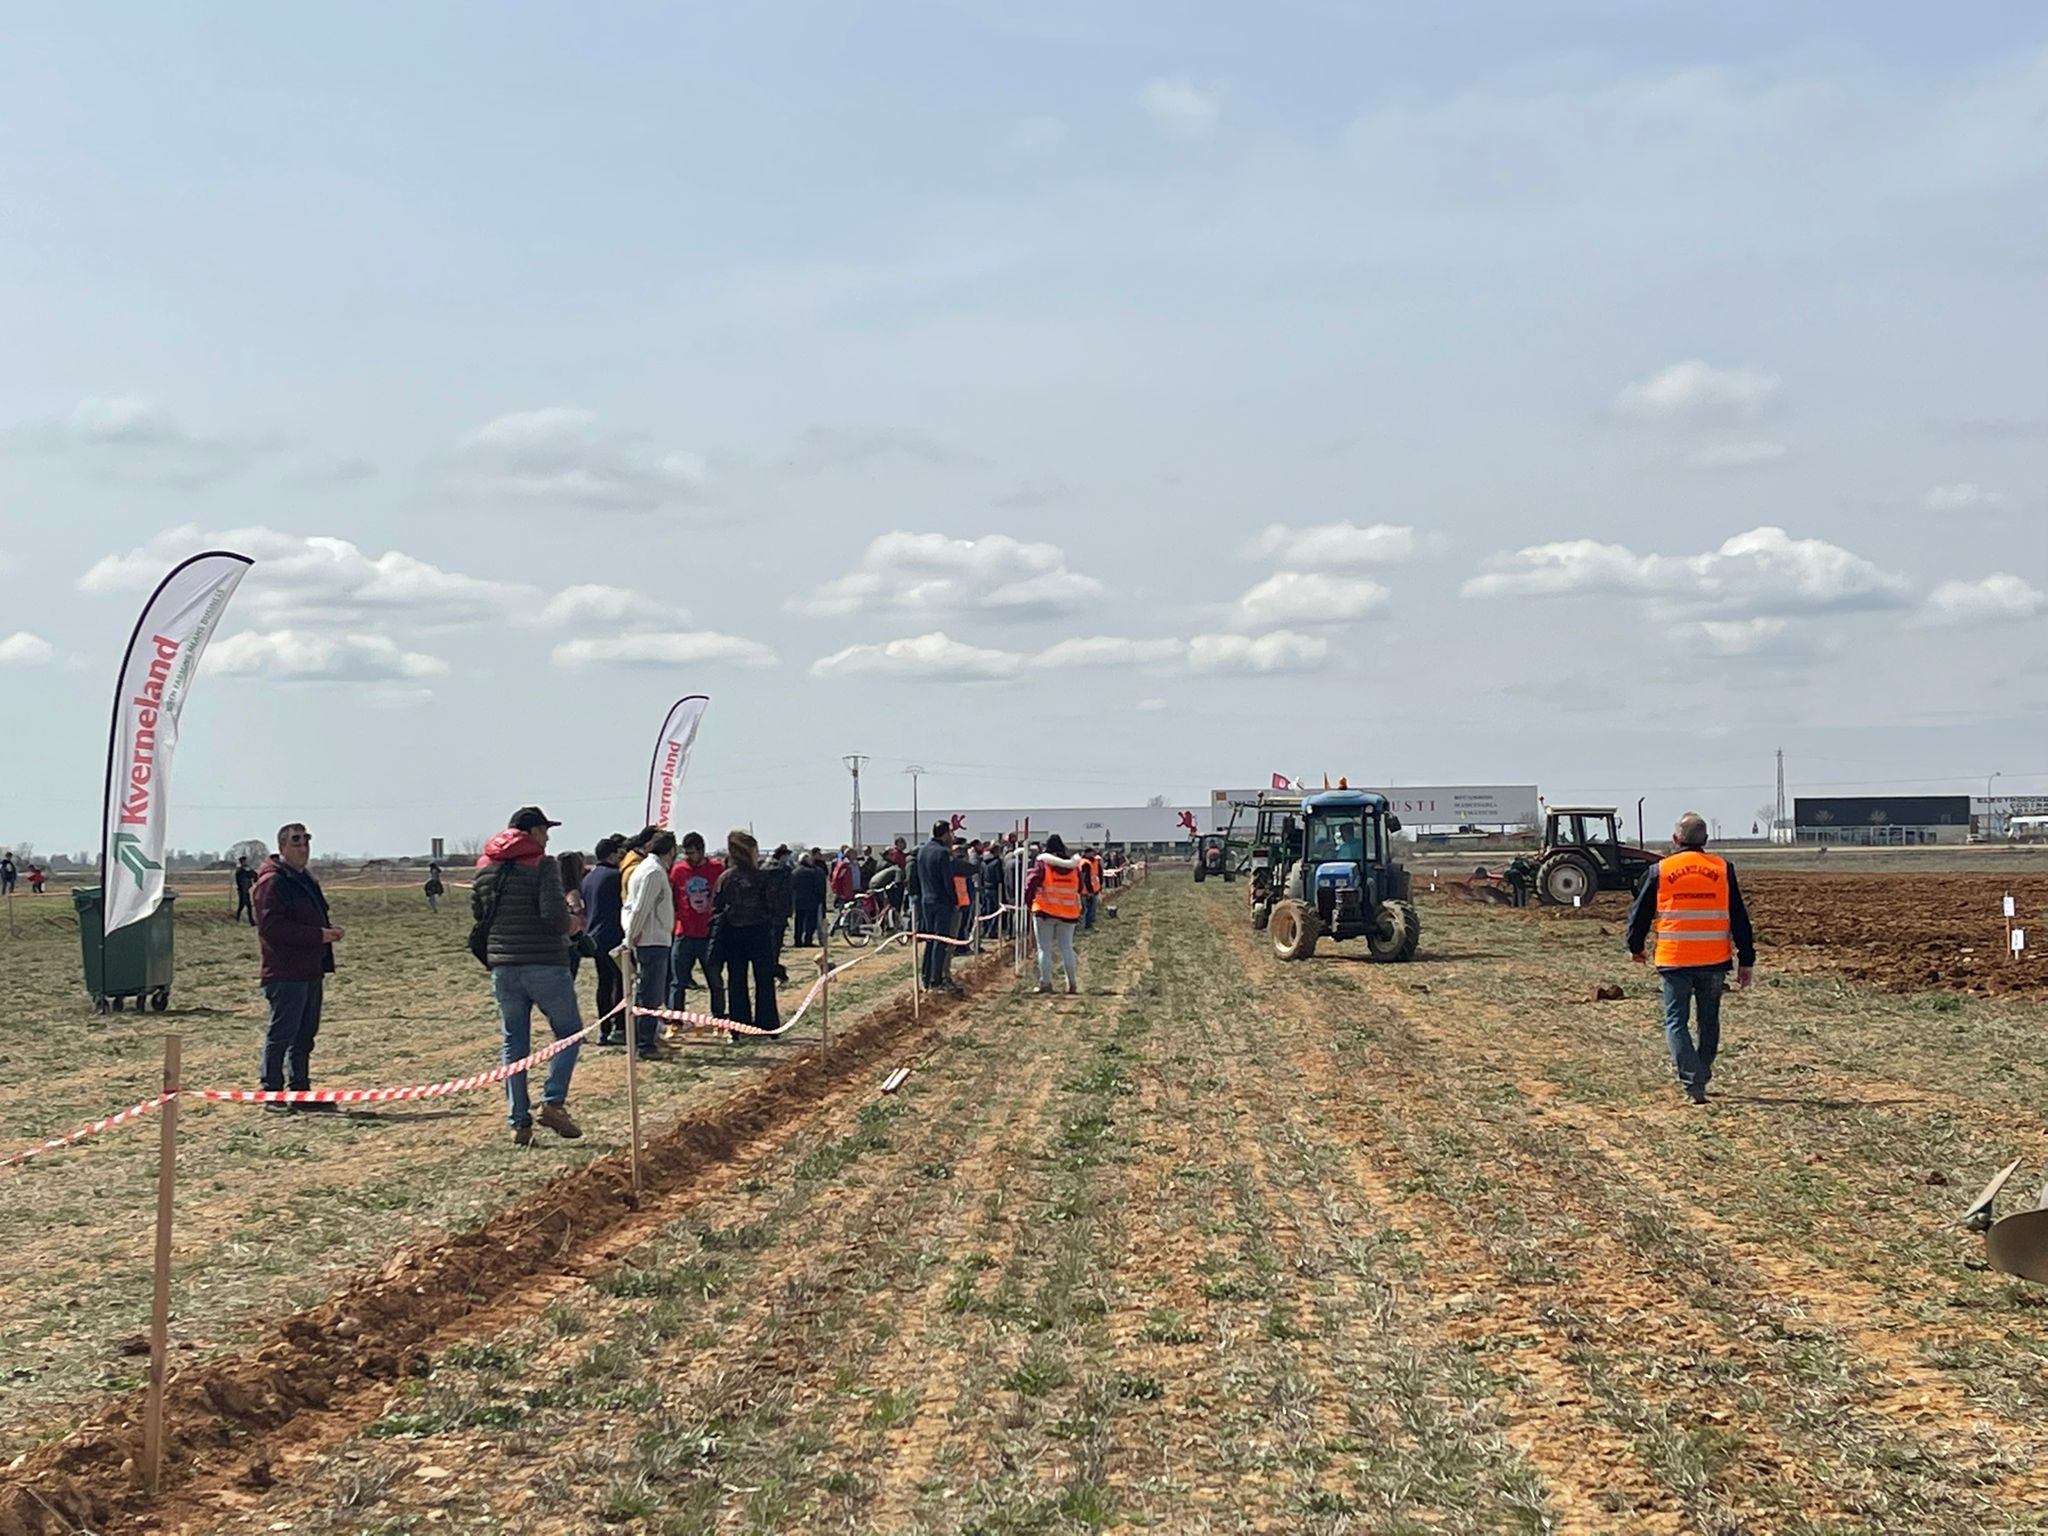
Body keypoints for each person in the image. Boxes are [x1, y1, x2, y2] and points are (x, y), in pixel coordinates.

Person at [1626, 812, 1757, 1106]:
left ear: (1675, 840)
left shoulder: (1660, 870)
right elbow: (1739, 917)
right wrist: (1746, 959)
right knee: (1708, 1020)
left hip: (1675, 960)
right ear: (1706, 841)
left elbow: (1640, 912)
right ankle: (1702, 1073)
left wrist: (1636, 947)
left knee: (1676, 1022)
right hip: (1713, 960)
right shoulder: (1723, 869)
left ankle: (1692, 1080)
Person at [473, 807, 585, 1146]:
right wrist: (573, 924)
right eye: (544, 830)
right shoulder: (543, 864)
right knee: (570, 1033)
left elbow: (478, 914)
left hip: (503, 966)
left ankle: (518, 1121)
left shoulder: (486, 868)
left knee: (514, 1043)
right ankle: (552, 1101)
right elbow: (553, 915)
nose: (548, 838)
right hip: (545, 963)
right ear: (532, 832)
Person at [253, 822, 343, 1114]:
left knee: (305, 1035)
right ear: (281, 847)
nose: (303, 847)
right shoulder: (273, 882)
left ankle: (301, 1091)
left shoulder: (304, 878)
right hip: (285, 971)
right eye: (296, 842)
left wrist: (324, 936)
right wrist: (317, 936)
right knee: (282, 1034)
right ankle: (272, 1092)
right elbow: (271, 927)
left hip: (310, 968)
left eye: (306, 841)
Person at [713, 830, 786, 1038]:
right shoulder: (762, 877)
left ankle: (739, 1026)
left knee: (736, 981)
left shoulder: (725, 878)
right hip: (760, 932)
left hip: (733, 934)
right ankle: (768, 1025)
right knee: (764, 980)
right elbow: (773, 905)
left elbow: (716, 907)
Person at [621, 831, 677, 1059]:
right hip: (652, 940)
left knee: (648, 994)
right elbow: (641, 908)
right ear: (671, 851)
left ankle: (646, 1039)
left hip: (653, 938)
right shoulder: (653, 872)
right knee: (650, 995)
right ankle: (644, 1044)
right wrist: (631, 936)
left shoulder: (648, 868)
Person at [668, 832, 726, 1022]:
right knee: (678, 982)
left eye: (692, 853)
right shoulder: (678, 871)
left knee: (715, 981)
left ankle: (718, 1016)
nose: (689, 857)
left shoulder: (717, 868)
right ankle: (676, 1019)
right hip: (684, 934)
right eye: (686, 853)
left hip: (709, 934)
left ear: (701, 851)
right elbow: (672, 899)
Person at [581, 837, 627, 1043]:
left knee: (604, 984)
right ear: (611, 855)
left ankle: (604, 1028)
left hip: (594, 937)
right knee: (620, 981)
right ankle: (620, 1026)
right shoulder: (615, 877)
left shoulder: (589, 878)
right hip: (613, 937)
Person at [1027, 834, 1083, 995]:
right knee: (1067, 948)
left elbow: (1031, 882)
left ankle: (1046, 983)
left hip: (1045, 911)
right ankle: (1072, 984)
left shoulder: (1043, 863)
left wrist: (1029, 902)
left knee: (1044, 949)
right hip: (1068, 913)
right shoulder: (1073, 866)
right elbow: (1080, 886)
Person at [914, 821, 960, 992]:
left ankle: (926, 977)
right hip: (942, 902)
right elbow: (948, 881)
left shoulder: (922, 851)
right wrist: (955, 901)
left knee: (930, 940)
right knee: (941, 941)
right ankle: (937, 980)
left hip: (927, 900)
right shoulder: (942, 853)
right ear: (945, 833)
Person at [791, 848, 827, 948]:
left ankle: (797, 941)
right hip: (812, 901)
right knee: (810, 922)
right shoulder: (815, 872)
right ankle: (808, 940)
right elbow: (820, 887)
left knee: (799, 922)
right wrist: (821, 898)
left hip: (798, 901)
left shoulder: (795, 872)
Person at [1080, 847, 1103, 932]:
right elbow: (1086, 879)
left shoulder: (1095, 861)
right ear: (1086, 853)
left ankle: (1089, 924)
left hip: (1093, 889)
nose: (1093, 854)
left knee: (1091, 908)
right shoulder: (1085, 863)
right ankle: (1087, 925)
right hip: (1087, 890)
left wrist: (1100, 886)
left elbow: (1099, 874)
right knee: (1087, 909)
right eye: (1091, 852)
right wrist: (1090, 891)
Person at [233, 854, 258, 925]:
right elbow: (239, 881)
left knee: (247, 906)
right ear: (241, 862)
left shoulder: (248, 869)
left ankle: (250, 921)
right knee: (242, 905)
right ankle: (238, 919)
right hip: (242, 891)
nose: (245, 862)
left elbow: (254, 875)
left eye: (245, 861)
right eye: (244, 861)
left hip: (247, 890)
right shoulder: (239, 871)